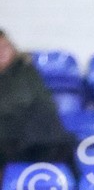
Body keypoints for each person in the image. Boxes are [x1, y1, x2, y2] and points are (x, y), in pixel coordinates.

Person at [0, 31, 79, 180]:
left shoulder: (26, 71)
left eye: (5, 47)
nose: (2, 53)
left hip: (39, 141)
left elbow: (41, 104)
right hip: (9, 142)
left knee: (65, 144)